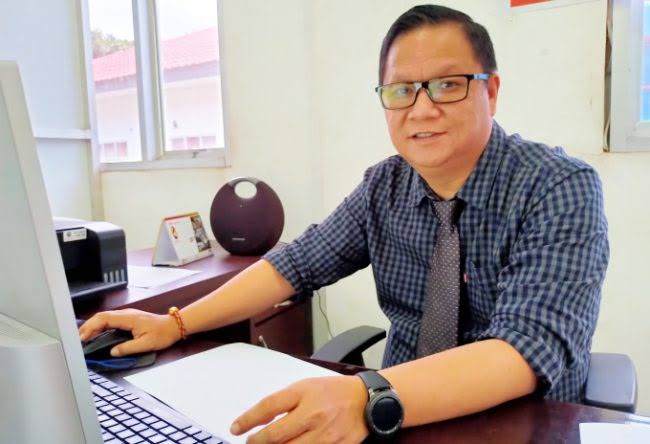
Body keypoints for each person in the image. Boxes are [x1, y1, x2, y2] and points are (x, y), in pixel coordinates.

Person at [79, 4, 609, 443]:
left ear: (491, 91)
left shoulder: (557, 187)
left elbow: (521, 351)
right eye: (401, 91)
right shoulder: (385, 187)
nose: (421, 109)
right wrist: (175, 324)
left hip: (518, 423)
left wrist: (364, 397)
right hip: (395, 417)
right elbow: (293, 266)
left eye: (447, 85)